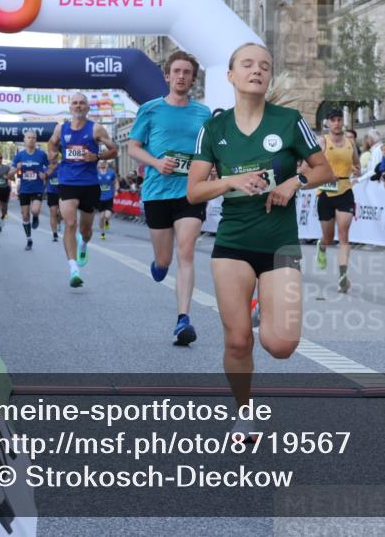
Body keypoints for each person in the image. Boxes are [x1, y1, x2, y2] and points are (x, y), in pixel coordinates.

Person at [186, 43, 333, 440]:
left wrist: (293, 182)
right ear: (230, 76)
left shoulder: (288, 121)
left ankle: (260, 305)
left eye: (264, 66)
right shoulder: (214, 129)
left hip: (280, 244)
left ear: (269, 78)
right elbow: (194, 192)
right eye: (247, 64)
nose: (257, 70)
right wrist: (230, 180)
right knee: (237, 341)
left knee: (280, 344)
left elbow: (325, 169)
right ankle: (244, 414)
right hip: (233, 244)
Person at [127, 50, 212, 343]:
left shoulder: (203, 113)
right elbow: (133, 147)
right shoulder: (150, 109)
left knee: (186, 253)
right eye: (176, 71)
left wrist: (211, 169)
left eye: (187, 72)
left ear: (193, 78)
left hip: (191, 192)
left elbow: (209, 149)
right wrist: (155, 162)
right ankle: (159, 264)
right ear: (167, 76)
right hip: (157, 192)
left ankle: (183, 320)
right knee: (164, 260)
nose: (181, 76)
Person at [47, 93, 119, 288]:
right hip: (67, 181)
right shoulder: (61, 128)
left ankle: (84, 244)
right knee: (70, 223)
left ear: (87, 108)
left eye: (82, 103)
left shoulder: (95, 128)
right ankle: (73, 269)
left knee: (85, 230)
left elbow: (114, 150)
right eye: (75, 103)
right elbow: (52, 143)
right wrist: (52, 153)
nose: (78, 106)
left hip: (89, 184)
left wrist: (97, 156)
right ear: (70, 107)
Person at [313, 108, 361, 293]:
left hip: (345, 191)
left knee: (343, 234)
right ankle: (322, 245)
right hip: (325, 192)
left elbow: (357, 164)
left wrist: (357, 170)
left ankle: (343, 275)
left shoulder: (350, 143)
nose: (337, 123)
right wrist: (325, 174)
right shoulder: (322, 142)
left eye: (339, 119)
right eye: (333, 120)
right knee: (328, 236)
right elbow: (312, 164)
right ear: (327, 123)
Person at [12, 130, 49, 251]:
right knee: (25, 215)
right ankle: (29, 239)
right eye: (29, 137)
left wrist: (45, 174)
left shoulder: (42, 155)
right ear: (24, 140)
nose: (31, 140)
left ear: (36, 140)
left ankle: (36, 216)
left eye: (33, 138)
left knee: (35, 210)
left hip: (37, 187)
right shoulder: (19, 156)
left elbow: (50, 168)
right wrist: (16, 168)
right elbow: (10, 174)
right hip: (24, 189)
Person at [96, 160, 119, 240]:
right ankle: (102, 232)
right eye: (101, 163)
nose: (103, 164)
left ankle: (107, 221)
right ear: (98, 164)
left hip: (109, 196)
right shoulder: (96, 173)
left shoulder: (111, 172)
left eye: (104, 163)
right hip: (99, 198)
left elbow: (116, 182)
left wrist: (116, 190)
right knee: (101, 217)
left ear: (106, 164)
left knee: (107, 215)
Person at [46, 153, 62, 242]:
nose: (53, 158)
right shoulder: (47, 167)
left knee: (62, 213)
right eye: (51, 157)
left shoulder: (61, 166)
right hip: (51, 192)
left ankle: (59, 220)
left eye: (55, 157)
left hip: (62, 192)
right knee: (53, 212)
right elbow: (44, 177)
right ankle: (55, 234)